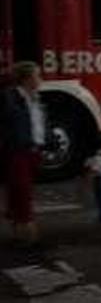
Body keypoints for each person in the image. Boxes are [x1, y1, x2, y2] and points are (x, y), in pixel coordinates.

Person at [0, 62, 45, 245]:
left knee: (19, 191)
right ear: (27, 79)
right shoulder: (9, 97)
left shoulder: (34, 97)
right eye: (37, 75)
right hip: (18, 151)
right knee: (22, 190)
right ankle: (28, 232)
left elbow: (38, 123)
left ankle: (18, 229)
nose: (40, 79)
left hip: (34, 151)